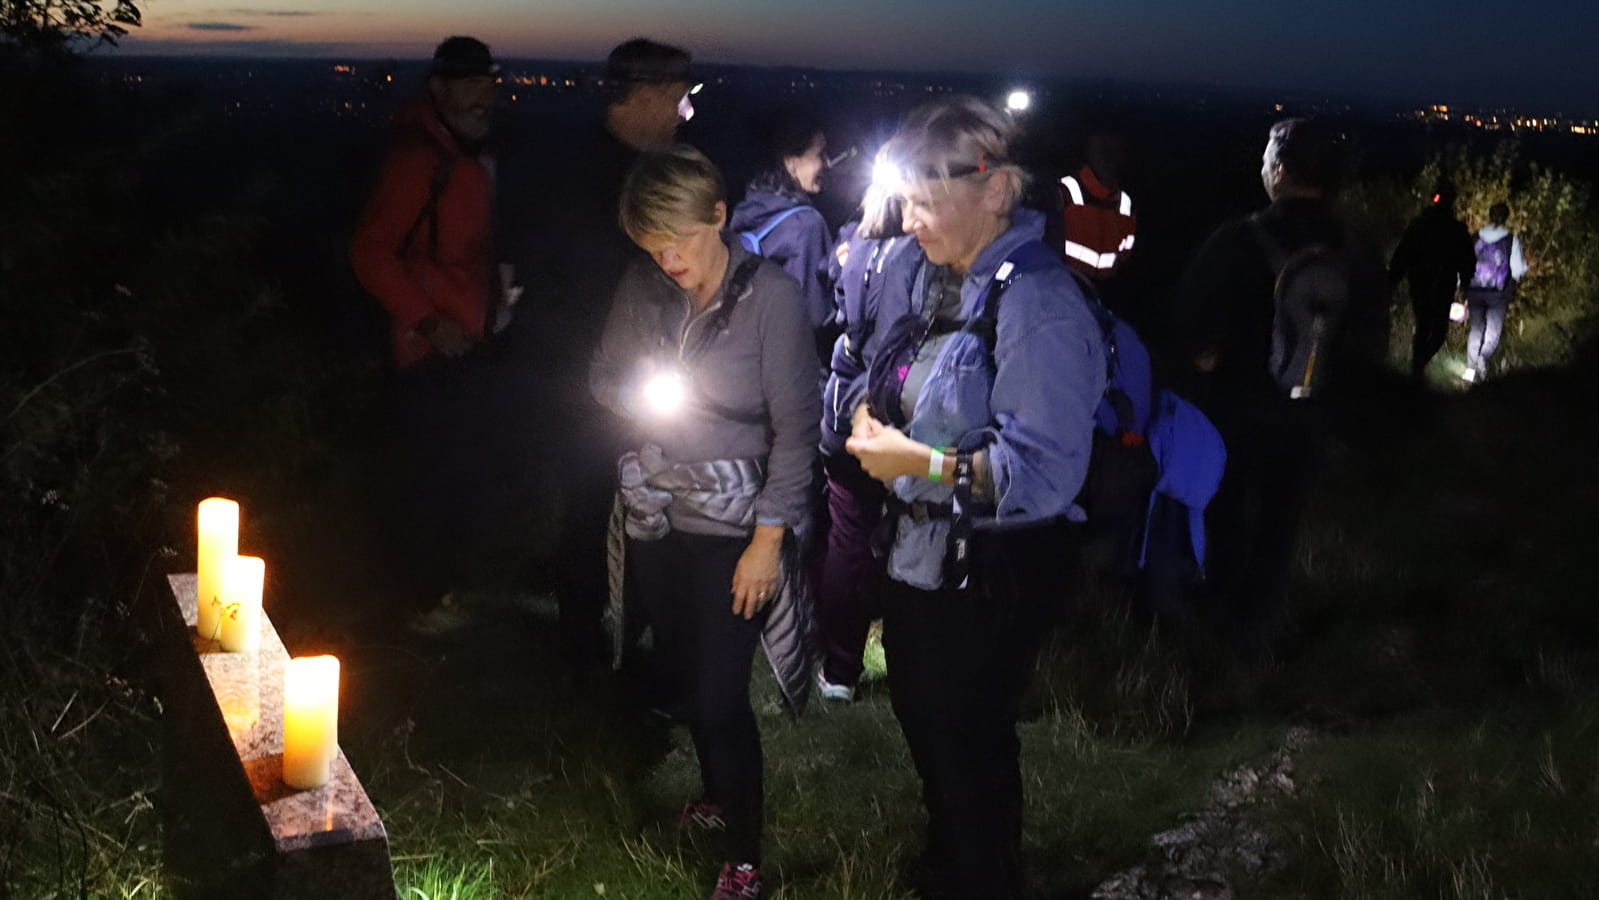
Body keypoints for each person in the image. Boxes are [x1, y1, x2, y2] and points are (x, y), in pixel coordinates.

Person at [845, 96, 1105, 900]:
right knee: (932, 729)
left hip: (989, 573)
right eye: (906, 199)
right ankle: (952, 862)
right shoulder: (937, 281)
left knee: (969, 742)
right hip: (922, 561)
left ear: (995, 189)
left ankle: (982, 877)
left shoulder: (1039, 304)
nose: (911, 218)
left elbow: (1044, 474)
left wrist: (915, 461)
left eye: (927, 198)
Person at [590, 145, 820, 900]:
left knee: (723, 696)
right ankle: (717, 796)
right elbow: (603, 375)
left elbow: (796, 429)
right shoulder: (645, 288)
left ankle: (745, 854)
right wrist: (638, 402)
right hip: (662, 512)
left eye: (679, 240)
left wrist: (766, 541)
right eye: (651, 245)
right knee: (689, 678)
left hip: (735, 522)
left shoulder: (771, 298)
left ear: (717, 216)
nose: (667, 259)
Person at [1168, 118, 1384, 656]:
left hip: (1238, 408)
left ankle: (1215, 626)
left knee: (1225, 513)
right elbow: (1370, 340)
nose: (1263, 169)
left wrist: (1201, 359)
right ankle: (1258, 628)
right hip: (1314, 413)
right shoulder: (1357, 250)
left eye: (1267, 161)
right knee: (1280, 520)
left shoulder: (1238, 240)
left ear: (1281, 171)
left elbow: (1188, 319)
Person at [520, 37, 699, 665]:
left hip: (647, 372)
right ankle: (582, 630)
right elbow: (561, 282)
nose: (685, 113)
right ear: (646, 95)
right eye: (679, 99)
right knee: (591, 498)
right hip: (585, 373)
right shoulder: (582, 176)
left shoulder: (657, 168)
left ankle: (635, 617)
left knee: (647, 495)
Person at [349, 36, 514, 621]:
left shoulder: (463, 152)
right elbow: (370, 252)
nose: (484, 97)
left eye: (489, 85)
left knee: (451, 472)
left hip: (463, 343)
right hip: (428, 350)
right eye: (470, 85)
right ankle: (418, 600)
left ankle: (438, 588)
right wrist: (429, 321)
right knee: (429, 479)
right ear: (439, 90)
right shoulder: (421, 159)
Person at [812, 175, 922, 702]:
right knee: (907, 537)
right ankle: (908, 665)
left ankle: (838, 670)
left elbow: (835, 302)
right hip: (889, 416)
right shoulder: (915, 254)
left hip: (840, 411)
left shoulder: (853, 243)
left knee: (847, 541)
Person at [728, 109, 834, 352]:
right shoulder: (807, 225)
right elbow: (815, 316)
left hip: (747, 351)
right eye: (820, 153)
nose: (827, 163)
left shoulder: (747, 211)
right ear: (792, 163)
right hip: (789, 358)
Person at [1389, 183, 1475, 380]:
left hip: (1435, 282)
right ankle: (1417, 370)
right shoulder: (1432, 226)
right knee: (1430, 327)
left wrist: (1466, 284)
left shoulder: (1450, 228)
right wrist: (1394, 278)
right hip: (1428, 282)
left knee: (1432, 329)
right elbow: (1404, 253)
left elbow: (1466, 259)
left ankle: (1417, 366)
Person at [1059, 127, 1137, 282]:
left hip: (1103, 293)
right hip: (1061, 286)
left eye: (1114, 152)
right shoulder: (1066, 191)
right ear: (1090, 152)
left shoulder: (1126, 205)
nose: (1108, 159)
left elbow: (1124, 257)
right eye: (1103, 150)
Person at [1462, 201, 1528, 382]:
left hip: (1475, 290)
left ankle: (1469, 371)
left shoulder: (1475, 237)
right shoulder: (1511, 240)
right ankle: (1482, 359)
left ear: (1490, 216)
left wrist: (1462, 285)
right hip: (1498, 293)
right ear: (1506, 218)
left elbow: (1464, 264)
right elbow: (1518, 270)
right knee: (1493, 332)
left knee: (1476, 328)